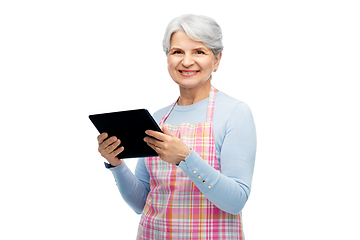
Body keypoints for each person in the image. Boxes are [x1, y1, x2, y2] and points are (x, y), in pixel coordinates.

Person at [97, 14, 256, 240]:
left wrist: (185, 158)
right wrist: (116, 164)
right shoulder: (159, 118)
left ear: (217, 60)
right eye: (177, 52)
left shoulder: (235, 113)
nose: (187, 61)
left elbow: (236, 202)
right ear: (168, 57)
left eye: (199, 52)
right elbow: (141, 202)